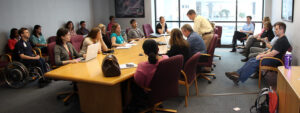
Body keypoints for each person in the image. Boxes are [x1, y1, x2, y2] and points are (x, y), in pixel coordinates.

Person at [225, 22, 291, 85]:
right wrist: (263, 53)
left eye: (276, 29)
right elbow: (272, 49)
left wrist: (262, 55)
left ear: (282, 30)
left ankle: (238, 77)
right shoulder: (280, 39)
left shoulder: (282, 41)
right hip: (272, 58)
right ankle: (237, 74)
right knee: (251, 60)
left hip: (274, 60)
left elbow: (272, 53)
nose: (275, 31)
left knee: (253, 62)